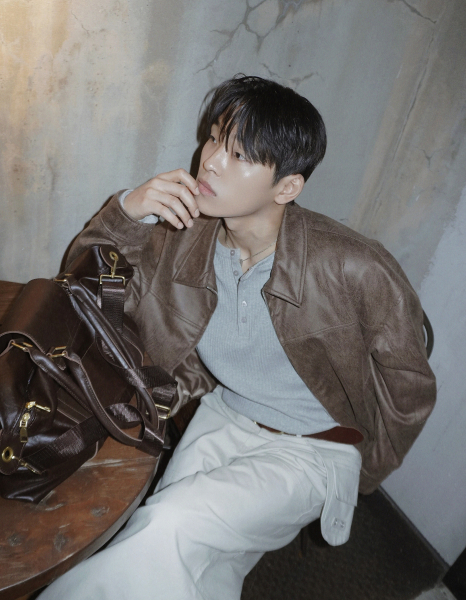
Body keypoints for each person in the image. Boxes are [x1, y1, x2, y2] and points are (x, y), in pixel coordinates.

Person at [38, 75, 436, 600]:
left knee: (170, 525)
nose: (211, 162)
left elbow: (410, 388)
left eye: (240, 154)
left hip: (314, 449)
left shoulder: (353, 266)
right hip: (224, 415)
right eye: (214, 139)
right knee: (197, 567)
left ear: (286, 187)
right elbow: (81, 288)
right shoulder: (183, 236)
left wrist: (362, 474)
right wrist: (128, 210)